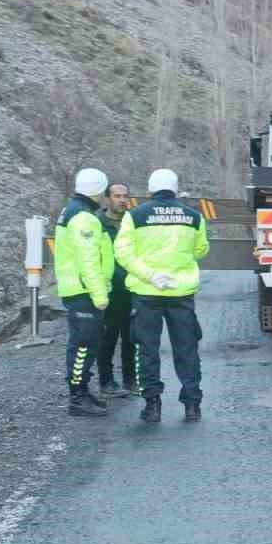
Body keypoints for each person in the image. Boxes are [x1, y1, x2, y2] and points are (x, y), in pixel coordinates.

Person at [114, 168, 211, 422]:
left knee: (147, 349)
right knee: (187, 349)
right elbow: (201, 250)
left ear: (150, 189)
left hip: (147, 293)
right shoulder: (193, 216)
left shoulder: (134, 216)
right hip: (181, 293)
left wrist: (150, 274)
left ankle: (152, 405)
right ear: (176, 188)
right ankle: (192, 405)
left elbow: (123, 253)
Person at [53, 168, 113, 418]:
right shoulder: (84, 218)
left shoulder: (72, 210)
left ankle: (82, 391)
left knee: (84, 344)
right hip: (84, 291)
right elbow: (88, 259)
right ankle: (77, 397)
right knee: (83, 346)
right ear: (98, 190)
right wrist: (99, 294)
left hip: (78, 288)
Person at [96, 181, 137, 399]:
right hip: (109, 290)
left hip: (132, 287)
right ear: (107, 198)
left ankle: (131, 380)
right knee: (108, 337)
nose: (122, 200)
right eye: (117, 196)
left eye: (125, 196)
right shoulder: (98, 223)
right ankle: (106, 381)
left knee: (131, 337)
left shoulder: (133, 221)